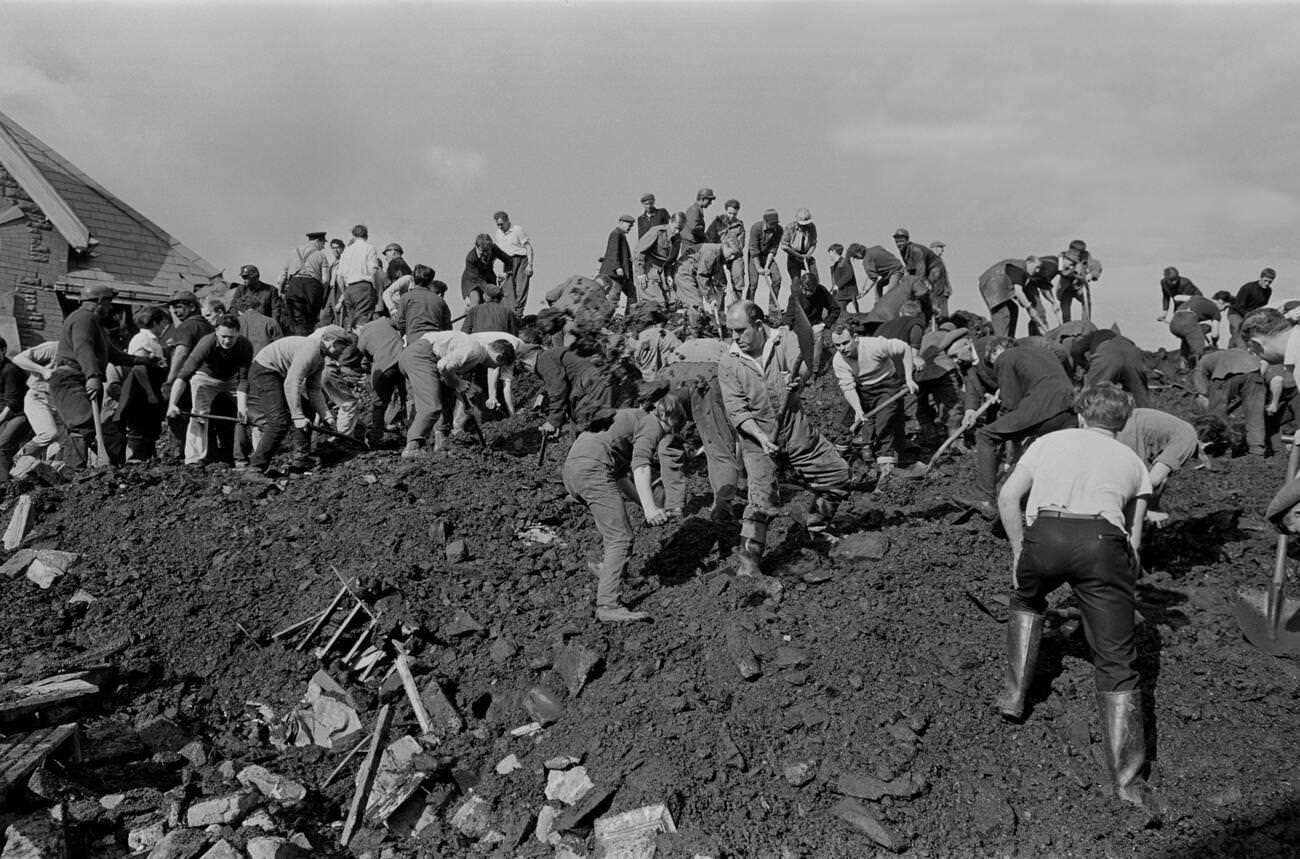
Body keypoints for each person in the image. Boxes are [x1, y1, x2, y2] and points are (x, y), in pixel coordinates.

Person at [995, 383, 1161, 815]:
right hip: (1103, 543)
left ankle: (1014, 696)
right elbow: (1134, 540)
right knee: (1117, 661)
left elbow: (1008, 497)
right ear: (1122, 423)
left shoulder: (1049, 442)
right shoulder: (1133, 462)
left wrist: (1019, 550)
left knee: (1028, 600)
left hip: (1046, 533)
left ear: (1082, 415)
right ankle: (1127, 783)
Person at [719, 301, 851, 577]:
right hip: (757, 440)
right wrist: (760, 436)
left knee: (837, 476)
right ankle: (748, 564)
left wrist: (798, 381)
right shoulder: (729, 362)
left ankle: (816, 530)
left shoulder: (785, 339)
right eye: (730, 331)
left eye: (741, 331)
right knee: (761, 501)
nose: (735, 337)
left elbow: (802, 366)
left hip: (795, 429)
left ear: (758, 325)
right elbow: (736, 410)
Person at [562, 396, 687, 623]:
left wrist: (646, 503)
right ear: (670, 421)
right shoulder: (652, 424)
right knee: (620, 538)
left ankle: (610, 570)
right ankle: (608, 605)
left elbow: (620, 476)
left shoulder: (631, 417)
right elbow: (640, 465)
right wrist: (650, 510)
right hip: (593, 470)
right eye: (671, 432)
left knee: (615, 532)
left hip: (574, 470)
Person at [960, 338, 1077, 518]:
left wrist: (1005, 425)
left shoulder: (1005, 358)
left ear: (997, 350)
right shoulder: (1043, 353)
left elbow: (1011, 404)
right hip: (1068, 409)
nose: (995, 366)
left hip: (1043, 406)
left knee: (985, 435)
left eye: (993, 361)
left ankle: (984, 496)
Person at [49, 284, 154, 468]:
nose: (110, 308)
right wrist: (93, 376)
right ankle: (74, 472)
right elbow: (83, 347)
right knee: (83, 426)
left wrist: (144, 361)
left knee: (91, 428)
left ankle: (109, 466)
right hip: (71, 379)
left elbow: (114, 355)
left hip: (79, 378)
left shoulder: (93, 323)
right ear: (98, 302)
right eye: (108, 303)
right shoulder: (84, 319)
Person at [245, 326, 353, 476]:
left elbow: (314, 390)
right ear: (332, 342)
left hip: (278, 374)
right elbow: (291, 383)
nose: (342, 353)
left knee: (308, 410)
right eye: (342, 348)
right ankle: (256, 467)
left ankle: (300, 460)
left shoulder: (320, 358)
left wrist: (326, 415)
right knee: (279, 421)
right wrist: (297, 416)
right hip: (265, 371)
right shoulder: (311, 351)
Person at [398, 330, 514, 457]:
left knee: (436, 401)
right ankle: (412, 447)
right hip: (421, 357)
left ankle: (435, 444)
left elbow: (448, 372)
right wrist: (458, 383)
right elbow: (443, 366)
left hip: (417, 354)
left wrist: (461, 392)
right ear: (499, 357)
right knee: (431, 407)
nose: (493, 368)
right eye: (498, 365)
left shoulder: (476, 351)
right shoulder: (474, 351)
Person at [830, 321, 918, 477]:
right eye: (837, 345)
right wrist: (858, 410)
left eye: (845, 343)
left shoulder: (875, 345)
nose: (842, 349)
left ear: (855, 337)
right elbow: (848, 388)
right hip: (861, 388)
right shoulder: (839, 361)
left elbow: (904, 348)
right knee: (846, 422)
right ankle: (834, 462)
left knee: (884, 423)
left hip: (886, 385)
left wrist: (909, 379)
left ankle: (886, 468)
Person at [167, 314, 253, 466]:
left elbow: (243, 380)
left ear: (238, 334)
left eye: (231, 337)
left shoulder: (245, 346)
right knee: (199, 415)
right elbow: (184, 375)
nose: (227, 341)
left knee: (248, 413)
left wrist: (242, 409)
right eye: (223, 336)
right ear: (216, 332)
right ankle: (194, 459)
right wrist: (172, 404)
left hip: (232, 379)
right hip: (205, 378)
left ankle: (249, 455)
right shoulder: (207, 343)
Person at [1117, 407, 1200, 522]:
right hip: (1129, 432)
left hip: (1121, 418)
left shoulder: (1183, 428)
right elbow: (1154, 479)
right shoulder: (1188, 440)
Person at [117, 306, 170, 462]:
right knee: (138, 429)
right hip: (141, 393)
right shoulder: (142, 340)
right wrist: (150, 393)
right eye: (163, 323)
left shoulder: (154, 341)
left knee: (150, 431)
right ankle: (134, 460)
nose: (164, 327)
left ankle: (145, 460)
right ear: (155, 322)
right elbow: (139, 368)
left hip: (151, 391)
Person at [1193, 347, 1267, 456]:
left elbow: (1200, 385)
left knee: (1217, 414)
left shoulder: (1205, 359)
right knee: (1255, 413)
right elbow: (1262, 366)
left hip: (1225, 374)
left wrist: (1205, 396)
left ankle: (1220, 445)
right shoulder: (1233, 352)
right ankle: (1257, 448)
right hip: (1254, 372)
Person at [355, 316, 406, 447]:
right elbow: (401, 324)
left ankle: (376, 438)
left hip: (384, 367)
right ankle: (410, 433)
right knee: (407, 398)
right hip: (404, 360)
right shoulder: (383, 320)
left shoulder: (361, 339)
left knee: (379, 403)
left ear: (357, 328)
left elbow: (367, 359)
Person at [1069, 329, 1151, 408]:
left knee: (1093, 395)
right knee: (1141, 397)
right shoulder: (1118, 336)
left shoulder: (1093, 335)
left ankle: (1088, 419)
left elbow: (1075, 350)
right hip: (1132, 352)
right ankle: (1147, 419)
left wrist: (1085, 364)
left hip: (1108, 353)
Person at [11, 341, 64, 463]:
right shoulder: (54, 347)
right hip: (39, 397)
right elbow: (19, 359)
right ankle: (20, 458)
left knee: (59, 445)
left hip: (60, 404)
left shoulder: (84, 353)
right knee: (49, 433)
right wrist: (43, 370)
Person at [279, 232, 332, 335]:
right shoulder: (321, 255)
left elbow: (282, 275)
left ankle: (299, 338)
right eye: (323, 243)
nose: (324, 246)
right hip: (312, 287)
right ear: (318, 241)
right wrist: (322, 295)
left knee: (297, 320)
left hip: (294, 285)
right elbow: (325, 280)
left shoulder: (293, 252)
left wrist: (280, 290)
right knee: (311, 320)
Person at [978, 257, 1038, 338]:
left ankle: (1010, 338)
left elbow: (1016, 292)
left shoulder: (1019, 269)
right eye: (1036, 267)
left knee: (1013, 308)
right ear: (1029, 263)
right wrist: (1030, 308)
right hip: (993, 285)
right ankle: (1002, 341)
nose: (1037, 270)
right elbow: (1018, 291)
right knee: (1003, 312)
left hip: (996, 285)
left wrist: (1023, 302)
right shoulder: (1019, 269)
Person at [336, 225, 381, 328]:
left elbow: (339, 277)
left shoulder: (346, 251)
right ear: (367, 235)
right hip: (364, 287)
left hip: (349, 288)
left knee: (351, 323)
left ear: (353, 235)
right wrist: (376, 291)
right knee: (362, 322)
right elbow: (373, 271)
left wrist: (344, 292)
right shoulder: (369, 248)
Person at [635, 213, 684, 308]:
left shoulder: (678, 238)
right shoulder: (657, 231)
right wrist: (640, 273)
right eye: (676, 228)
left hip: (662, 272)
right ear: (670, 222)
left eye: (680, 229)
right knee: (656, 303)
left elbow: (670, 260)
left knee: (673, 303)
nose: (677, 231)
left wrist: (669, 275)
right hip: (648, 269)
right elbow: (638, 251)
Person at [1168, 292, 1227, 369]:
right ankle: (1199, 369)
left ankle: (1183, 366)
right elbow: (1214, 334)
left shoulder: (1197, 298)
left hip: (1174, 323)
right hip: (1188, 320)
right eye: (1225, 307)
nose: (1224, 310)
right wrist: (1214, 343)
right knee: (1199, 347)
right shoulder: (1216, 311)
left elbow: (1176, 297)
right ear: (1221, 302)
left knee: (1188, 338)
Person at [493, 211, 534, 314]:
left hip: (520, 259)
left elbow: (528, 247)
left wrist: (530, 265)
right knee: (508, 289)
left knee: (521, 288)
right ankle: (511, 312)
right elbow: (497, 250)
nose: (500, 226)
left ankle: (519, 313)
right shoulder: (498, 233)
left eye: (501, 224)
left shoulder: (517, 230)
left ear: (507, 221)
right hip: (507, 261)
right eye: (498, 224)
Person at [0, 340, 30, 480]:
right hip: (6, 415)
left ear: (3, 350)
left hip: (22, 414)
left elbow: (13, 402)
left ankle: (3, 485)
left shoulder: (10, 370)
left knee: (3, 445)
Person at [394, 266, 451, 337]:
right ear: (431, 281)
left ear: (413, 279)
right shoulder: (440, 301)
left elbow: (400, 324)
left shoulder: (406, 297)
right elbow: (447, 326)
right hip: (435, 340)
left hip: (414, 341)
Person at [706, 198, 746, 296]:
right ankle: (720, 309)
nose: (731, 216)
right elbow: (709, 238)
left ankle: (737, 305)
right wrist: (719, 252)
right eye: (729, 213)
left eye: (734, 214)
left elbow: (741, 244)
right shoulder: (717, 222)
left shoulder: (739, 225)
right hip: (719, 254)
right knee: (719, 281)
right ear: (725, 211)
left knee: (738, 276)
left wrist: (732, 254)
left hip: (734, 255)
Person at [746, 208, 784, 309]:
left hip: (768, 256)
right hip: (755, 257)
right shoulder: (756, 228)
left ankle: (772, 307)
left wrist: (767, 266)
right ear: (765, 221)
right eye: (771, 224)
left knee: (777, 279)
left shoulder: (779, 230)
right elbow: (753, 250)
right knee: (753, 284)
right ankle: (748, 307)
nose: (774, 226)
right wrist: (758, 268)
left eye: (775, 223)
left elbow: (773, 249)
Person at [1230, 267, 1276, 347]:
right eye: (1265, 280)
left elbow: (1263, 306)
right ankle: (1242, 352)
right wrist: (1250, 316)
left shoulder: (1268, 291)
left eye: (1270, 282)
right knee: (1239, 329)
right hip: (1237, 313)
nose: (1267, 283)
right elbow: (1238, 306)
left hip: (1252, 315)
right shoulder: (1248, 288)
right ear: (1261, 278)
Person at [461, 233, 513, 303]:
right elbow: (478, 280)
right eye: (483, 251)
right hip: (473, 283)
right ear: (477, 247)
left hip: (489, 277)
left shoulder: (493, 248)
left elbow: (508, 260)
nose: (485, 254)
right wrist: (491, 290)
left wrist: (506, 274)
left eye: (487, 251)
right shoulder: (470, 258)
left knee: (497, 301)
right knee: (476, 301)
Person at [600, 215, 636, 311]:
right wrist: (618, 267)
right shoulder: (616, 234)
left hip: (620, 274)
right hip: (615, 274)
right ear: (621, 223)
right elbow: (613, 251)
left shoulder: (620, 234)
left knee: (632, 293)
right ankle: (605, 319)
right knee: (614, 297)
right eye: (629, 225)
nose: (630, 228)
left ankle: (631, 317)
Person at [781, 208, 818, 285]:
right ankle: (796, 295)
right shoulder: (790, 227)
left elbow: (813, 244)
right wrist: (798, 255)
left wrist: (808, 254)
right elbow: (784, 246)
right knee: (796, 282)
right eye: (802, 224)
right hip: (793, 255)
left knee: (814, 279)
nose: (804, 226)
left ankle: (816, 294)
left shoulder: (812, 227)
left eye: (806, 224)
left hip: (807, 254)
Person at [828, 244, 859, 315]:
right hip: (840, 296)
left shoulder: (844, 262)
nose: (829, 255)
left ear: (834, 251)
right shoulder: (835, 265)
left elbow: (849, 275)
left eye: (830, 252)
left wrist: (837, 286)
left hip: (846, 296)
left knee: (843, 318)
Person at [928, 241, 952, 322]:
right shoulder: (930, 260)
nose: (942, 250)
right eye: (940, 247)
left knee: (944, 318)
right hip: (936, 295)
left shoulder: (939, 260)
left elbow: (944, 276)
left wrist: (948, 288)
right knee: (938, 318)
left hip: (942, 294)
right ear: (934, 248)